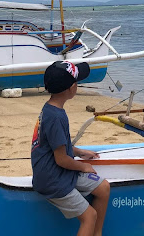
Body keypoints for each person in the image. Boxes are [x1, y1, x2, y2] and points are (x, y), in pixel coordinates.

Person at [31, 61, 110, 236]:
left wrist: (80, 152)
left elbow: (59, 146)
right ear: (71, 88)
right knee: (90, 216)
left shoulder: (52, 109)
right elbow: (61, 159)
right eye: (77, 82)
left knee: (103, 188)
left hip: (59, 172)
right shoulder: (56, 117)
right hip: (53, 179)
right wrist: (83, 166)